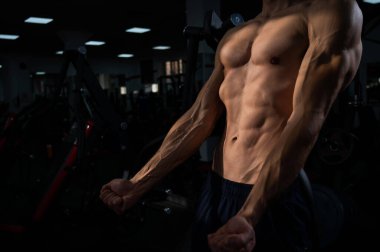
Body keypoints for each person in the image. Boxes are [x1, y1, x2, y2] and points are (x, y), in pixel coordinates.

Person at [100, 0, 363, 251]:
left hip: (269, 195)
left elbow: (306, 120)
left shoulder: (328, 12)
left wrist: (249, 215)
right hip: (216, 189)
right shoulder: (236, 35)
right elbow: (198, 117)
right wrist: (137, 184)